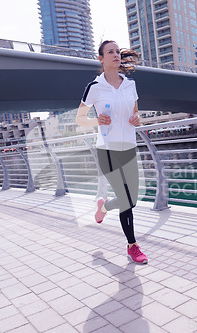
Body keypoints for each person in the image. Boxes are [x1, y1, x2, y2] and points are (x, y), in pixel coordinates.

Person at [75, 40, 147, 264]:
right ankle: (133, 246)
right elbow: (79, 119)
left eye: (117, 51)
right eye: (110, 52)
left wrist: (137, 119)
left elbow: (135, 115)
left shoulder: (130, 84)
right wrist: (97, 120)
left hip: (129, 148)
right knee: (126, 200)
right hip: (107, 149)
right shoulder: (94, 88)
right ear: (101, 59)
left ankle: (104, 206)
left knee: (132, 200)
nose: (116, 54)